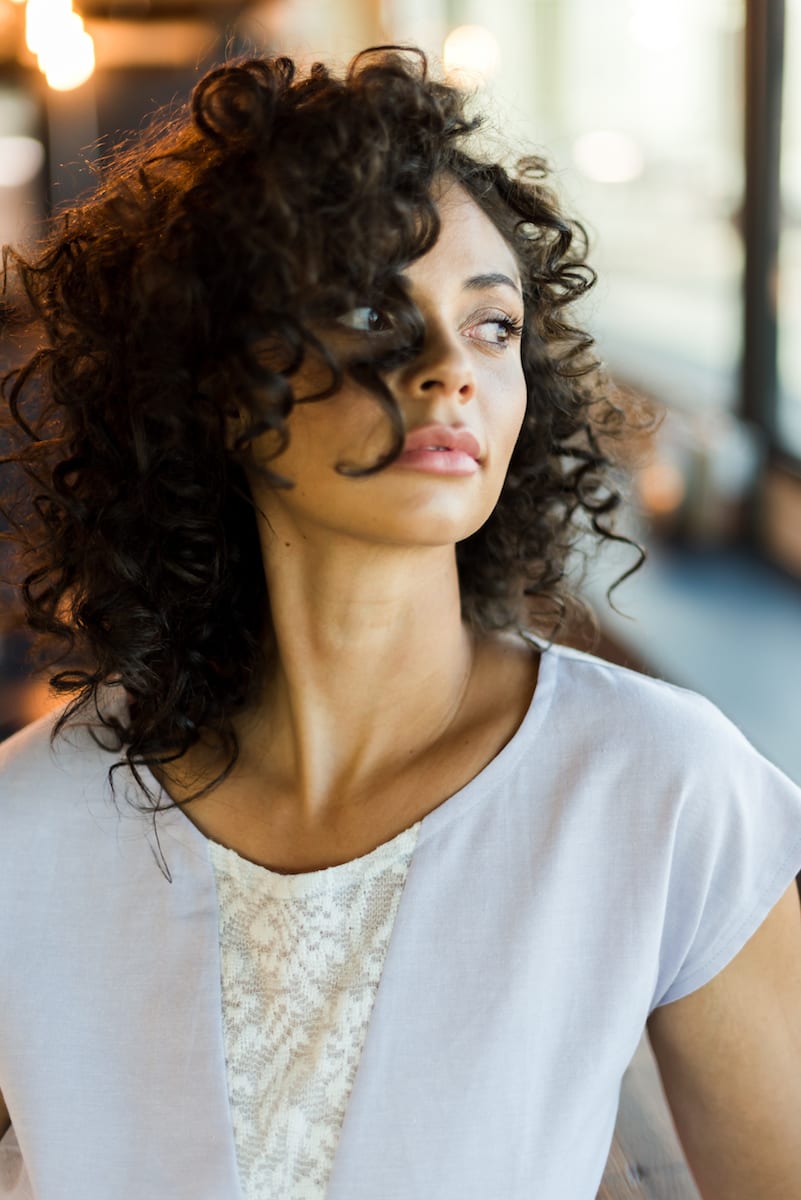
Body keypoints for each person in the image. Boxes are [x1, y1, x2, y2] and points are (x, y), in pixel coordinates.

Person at [1, 47, 800, 1200]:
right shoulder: (31, 828)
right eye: (376, 309)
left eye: (492, 326)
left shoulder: (664, 790)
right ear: (214, 379)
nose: (449, 373)